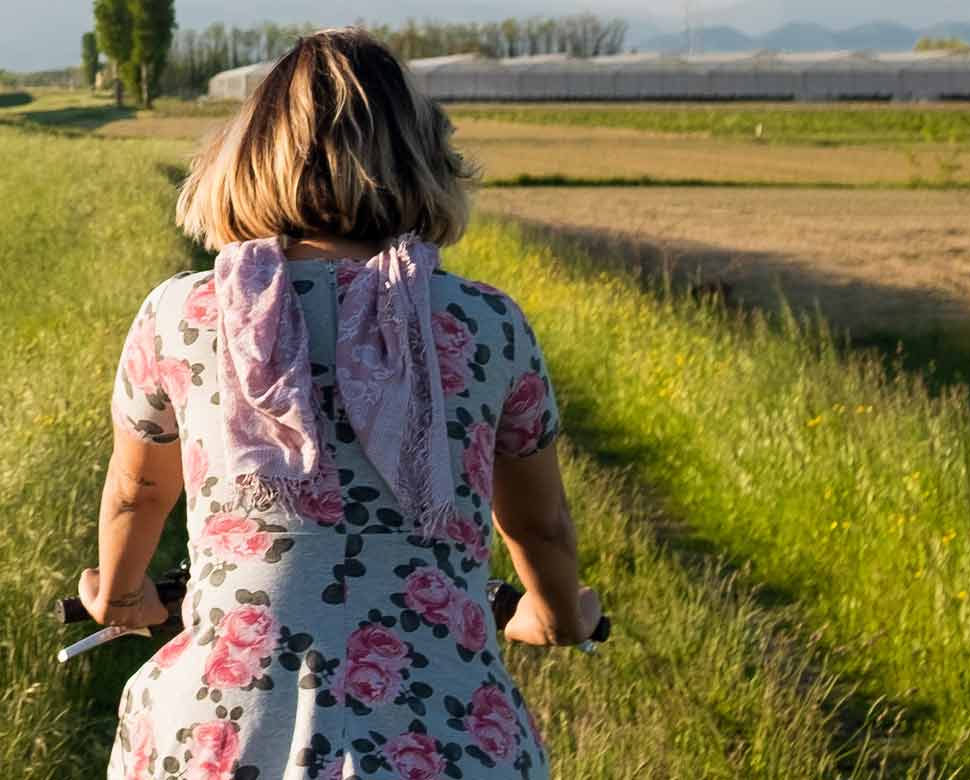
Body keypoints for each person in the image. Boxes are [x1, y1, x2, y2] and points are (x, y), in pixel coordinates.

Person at [80, 28, 604, 780]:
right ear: (423, 161)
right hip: (448, 748)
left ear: (246, 157)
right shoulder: (489, 325)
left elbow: (138, 491)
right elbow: (537, 522)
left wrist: (122, 592)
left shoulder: (179, 316)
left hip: (221, 742)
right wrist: (555, 612)